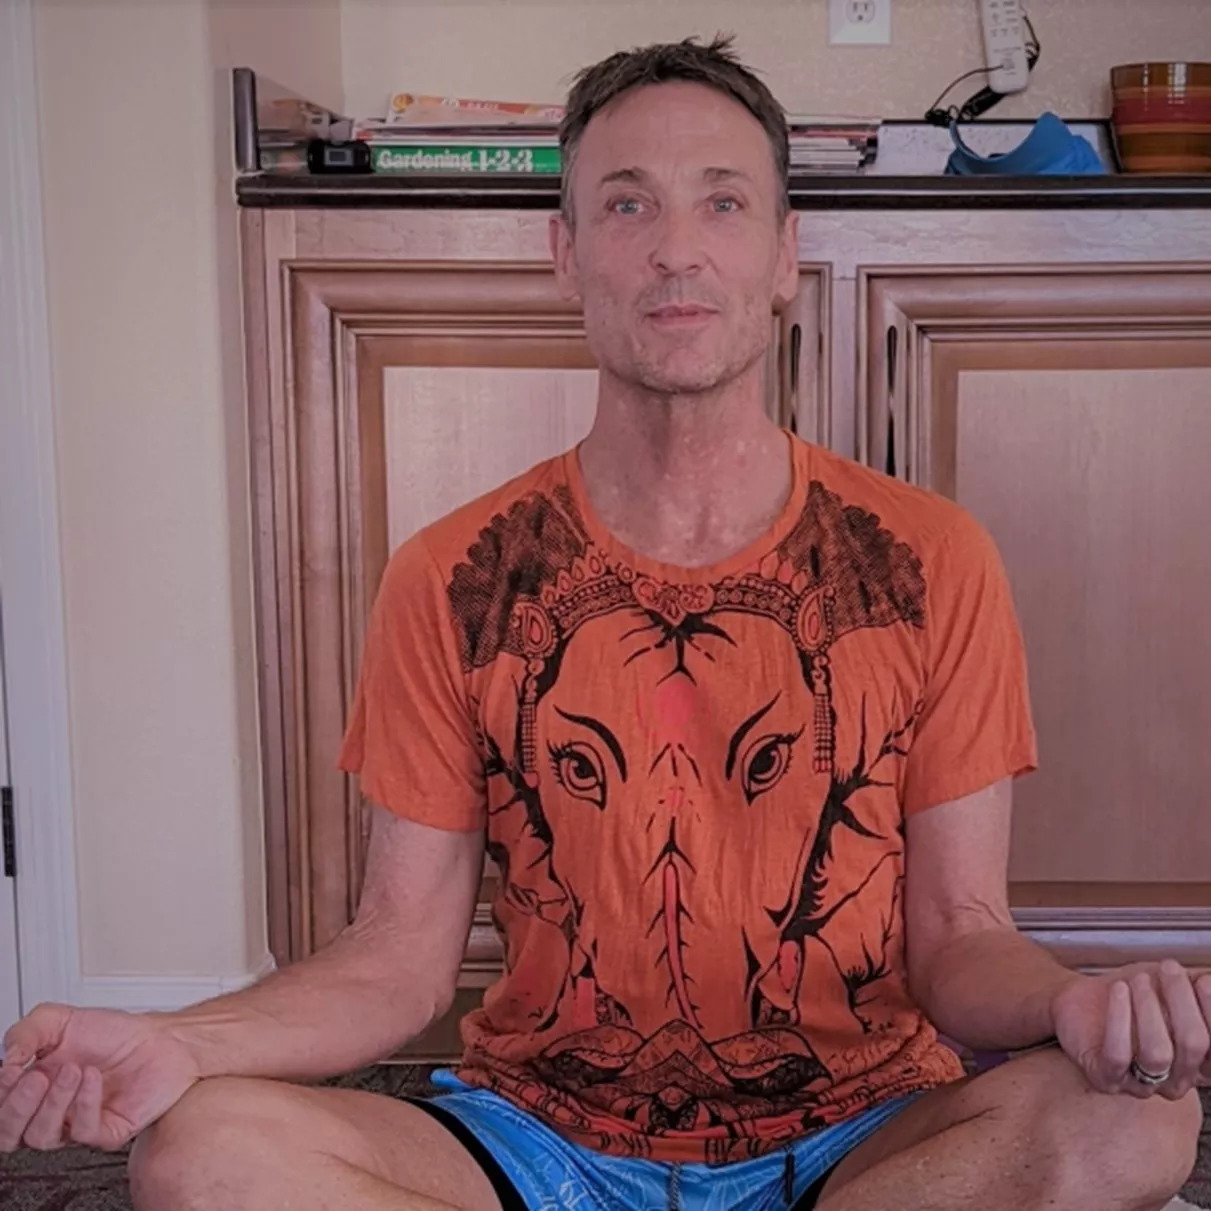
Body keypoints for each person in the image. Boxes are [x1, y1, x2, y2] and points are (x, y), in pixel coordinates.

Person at [1, 35, 1207, 1211]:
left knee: (1135, 1119)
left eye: (722, 202)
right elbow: (394, 957)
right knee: (202, 1151)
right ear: (565, 254)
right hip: (540, 1138)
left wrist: (1071, 998)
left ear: (783, 253)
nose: (676, 248)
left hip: (862, 1132)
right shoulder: (451, 575)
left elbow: (957, 934)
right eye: (627, 205)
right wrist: (181, 1039)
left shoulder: (927, 560)